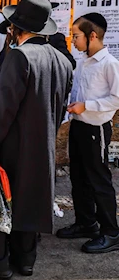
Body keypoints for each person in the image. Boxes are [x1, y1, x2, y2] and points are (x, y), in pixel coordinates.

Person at [0, 0, 73, 278]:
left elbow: (1, 108)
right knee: (30, 200)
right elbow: (58, 110)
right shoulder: (62, 61)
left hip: (10, 144)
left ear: (15, 27)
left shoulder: (20, 57)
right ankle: (25, 261)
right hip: (43, 144)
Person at [56, 13, 119, 253]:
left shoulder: (109, 64)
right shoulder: (82, 61)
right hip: (79, 126)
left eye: (77, 36)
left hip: (96, 129)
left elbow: (117, 98)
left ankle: (111, 232)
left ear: (93, 36)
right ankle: (86, 223)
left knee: (99, 180)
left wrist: (88, 106)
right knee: (79, 177)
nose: (73, 41)